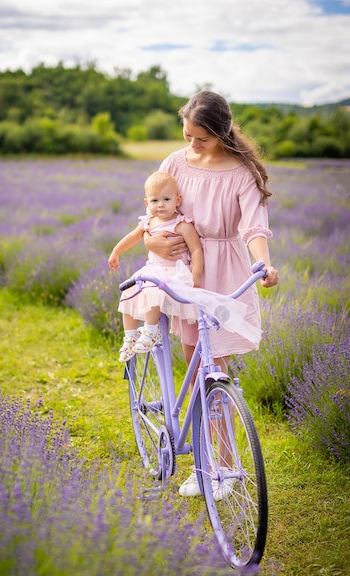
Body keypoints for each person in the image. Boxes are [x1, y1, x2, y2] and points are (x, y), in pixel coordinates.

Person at [143, 91, 279, 497]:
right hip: (184, 272)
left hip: (223, 271)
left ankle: (219, 464)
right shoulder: (175, 162)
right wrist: (153, 244)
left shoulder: (241, 172)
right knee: (195, 363)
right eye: (187, 136)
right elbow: (153, 215)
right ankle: (207, 461)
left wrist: (264, 264)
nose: (192, 145)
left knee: (212, 366)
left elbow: (254, 227)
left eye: (200, 138)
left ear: (221, 133)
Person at [108, 171, 204, 362]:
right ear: (146, 203)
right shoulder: (148, 222)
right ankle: (130, 336)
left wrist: (196, 275)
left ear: (178, 200)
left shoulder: (181, 225)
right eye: (154, 201)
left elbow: (196, 251)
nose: (160, 205)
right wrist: (116, 251)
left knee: (153, 291)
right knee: (129, 293)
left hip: (174, 273)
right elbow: (132, 237)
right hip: (152, 270)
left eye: (166, 199)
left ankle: (152, 332)